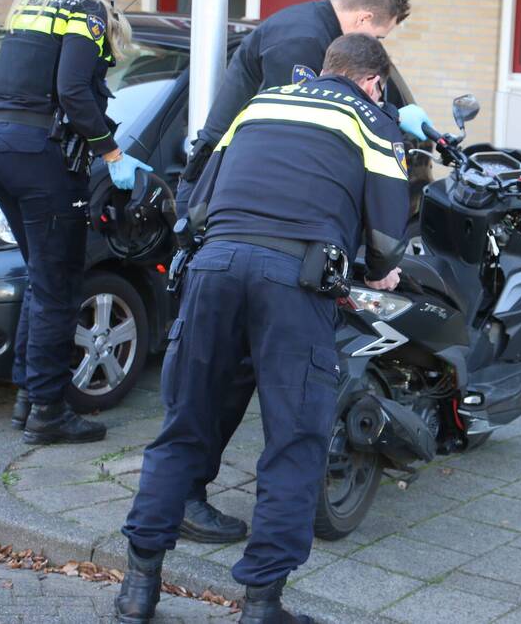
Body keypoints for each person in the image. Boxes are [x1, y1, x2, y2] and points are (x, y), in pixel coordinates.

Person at [116, 33, 409, 624]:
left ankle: (137, 589)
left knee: (183, 427)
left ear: (326, 68)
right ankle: (261, 605)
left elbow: (198, 197)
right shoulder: (375, 122)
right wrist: (380, 273)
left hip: (214, 266)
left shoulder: (263, 101)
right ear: (373, 82)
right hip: (295, 283)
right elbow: (385, 236)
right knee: (293, 440)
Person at [171, 0, 430, 546]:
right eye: (383, 38)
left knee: (226, 372)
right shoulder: (299, 47)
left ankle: (176, 514)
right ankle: (202, 503)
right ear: (365, 22)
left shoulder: (304, 28)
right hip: (245, 222)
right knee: (240, 379)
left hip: (235, 221)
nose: (382, 49)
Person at [0, 0, 153, 445]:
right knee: (60, 285)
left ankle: (28, 398)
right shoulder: (88, 9)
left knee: (42, 277)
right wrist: (113, 154)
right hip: (40, 156)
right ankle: (49, 413)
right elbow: (74, 90)